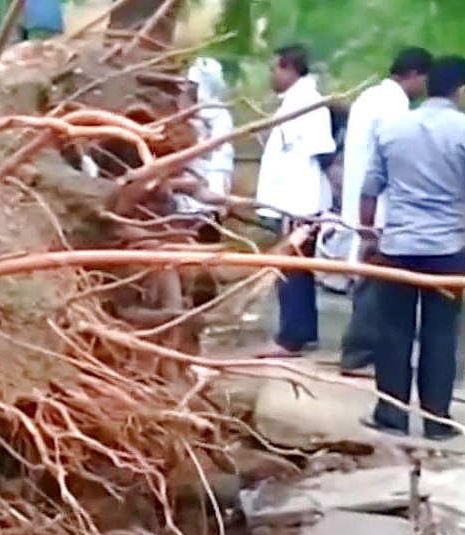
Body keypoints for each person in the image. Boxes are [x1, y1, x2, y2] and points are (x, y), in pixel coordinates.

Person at [359, 55, 465, 440]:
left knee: (393, 333)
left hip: (397, 248)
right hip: (446, 252)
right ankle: (437, 421)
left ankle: (392, 415)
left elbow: (370, 188)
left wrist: (368, 236)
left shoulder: (392, 128)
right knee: (440, 334)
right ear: (462, 90)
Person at [338, 47, 433, 375]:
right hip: (379, 206)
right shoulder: (394, 107)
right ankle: (359, 353)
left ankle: (365, 351)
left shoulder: (369, 98)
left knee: (371, 282)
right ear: (415, 75)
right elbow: (397, 156)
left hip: (364, 202)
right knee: (375, 284)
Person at [254, 44, 336, 357]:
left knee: (290, 270)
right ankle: (304, 331)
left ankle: (290, 338)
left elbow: (323, 153)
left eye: (274, 69)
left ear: (289, 68)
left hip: (300, 202)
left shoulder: (309, 104)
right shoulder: (292, 102)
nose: (271, 75)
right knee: (297, 270)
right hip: (289, 200)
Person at [173, 57, 235, 222]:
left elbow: (215, 153)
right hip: (187, 183)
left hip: (210, 181)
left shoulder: (220, 116)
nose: (188, 88)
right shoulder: (187, 109)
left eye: (193, 84)